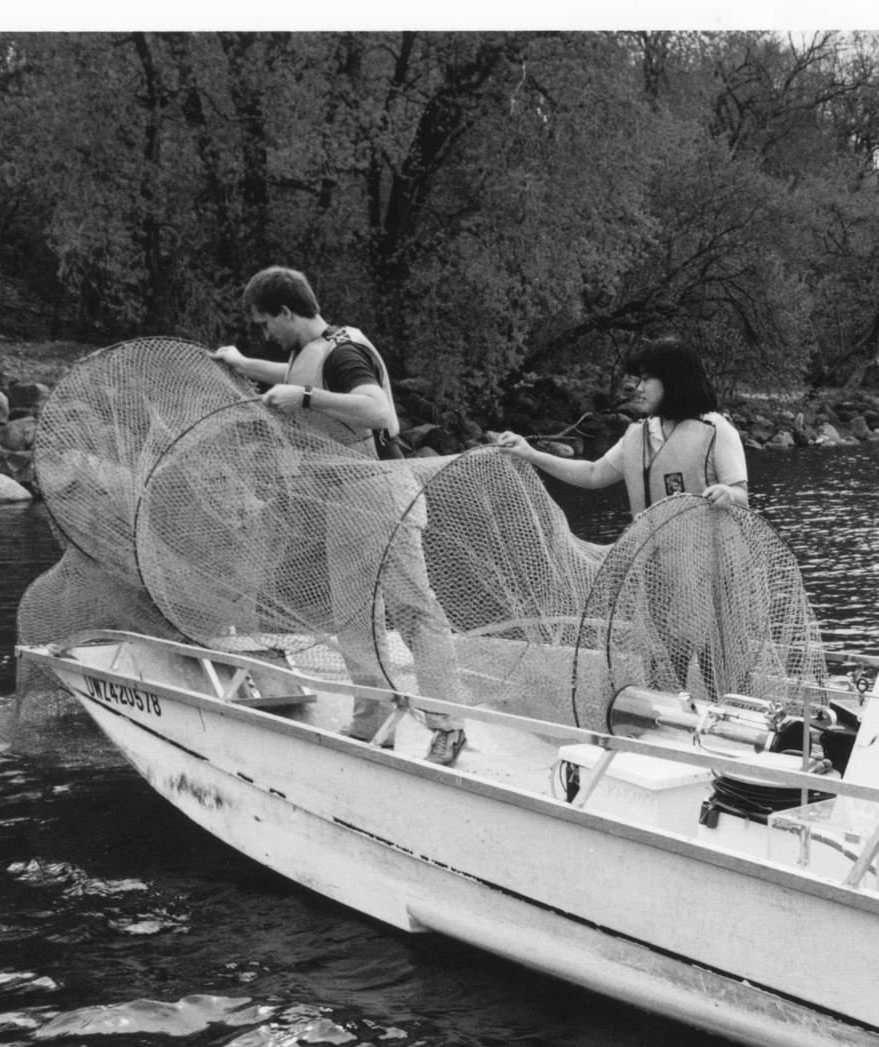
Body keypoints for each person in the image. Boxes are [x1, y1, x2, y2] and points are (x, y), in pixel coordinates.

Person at [211, 266, 468, 768]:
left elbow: (378, 413)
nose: (265, 334)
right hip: (344, 503)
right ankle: (372, 723)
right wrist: (243, 362)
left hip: (382, 495)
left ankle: (449, 726)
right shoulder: (311, 351)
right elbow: (295, 376)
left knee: (415, 611)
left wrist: (304, 399)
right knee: (354, 620)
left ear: (287, 312)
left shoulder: (345, 354)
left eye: (266, 324)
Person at [488, 337, 748, 513]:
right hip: (655, 575)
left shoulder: (716, 430)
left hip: (708, 574)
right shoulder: (641, 433)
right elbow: (593, 474)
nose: (639, 388)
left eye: (646, 380)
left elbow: (741, 496)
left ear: (674, 381)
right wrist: (530, 454)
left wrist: (728, 494)